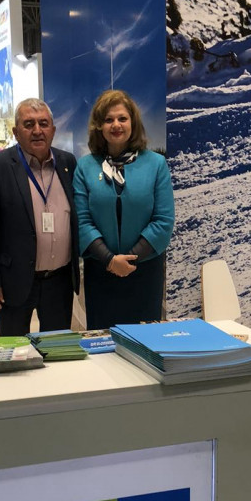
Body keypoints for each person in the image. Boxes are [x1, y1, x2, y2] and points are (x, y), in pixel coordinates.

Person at [0, 98, 80, 336]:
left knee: (56, 349)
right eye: (29, 124)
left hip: (59, 281)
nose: (37, 130)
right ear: (15, 132)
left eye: (43, 123)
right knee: (15, 351)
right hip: (14, 280)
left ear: (53, 130)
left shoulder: (67, 163)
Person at [74, 90, 175, 329]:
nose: (116, 125)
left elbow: (163, 220)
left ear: (133, 123)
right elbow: (82, 221)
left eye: (122, 118)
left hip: (144, 272)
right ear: (99, 126)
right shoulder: (85, 167)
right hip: (101, 272)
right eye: (108, 120)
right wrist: (111, 261)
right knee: (103, 342)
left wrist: (128, 260)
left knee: (145, 341)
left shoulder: (156, 164)